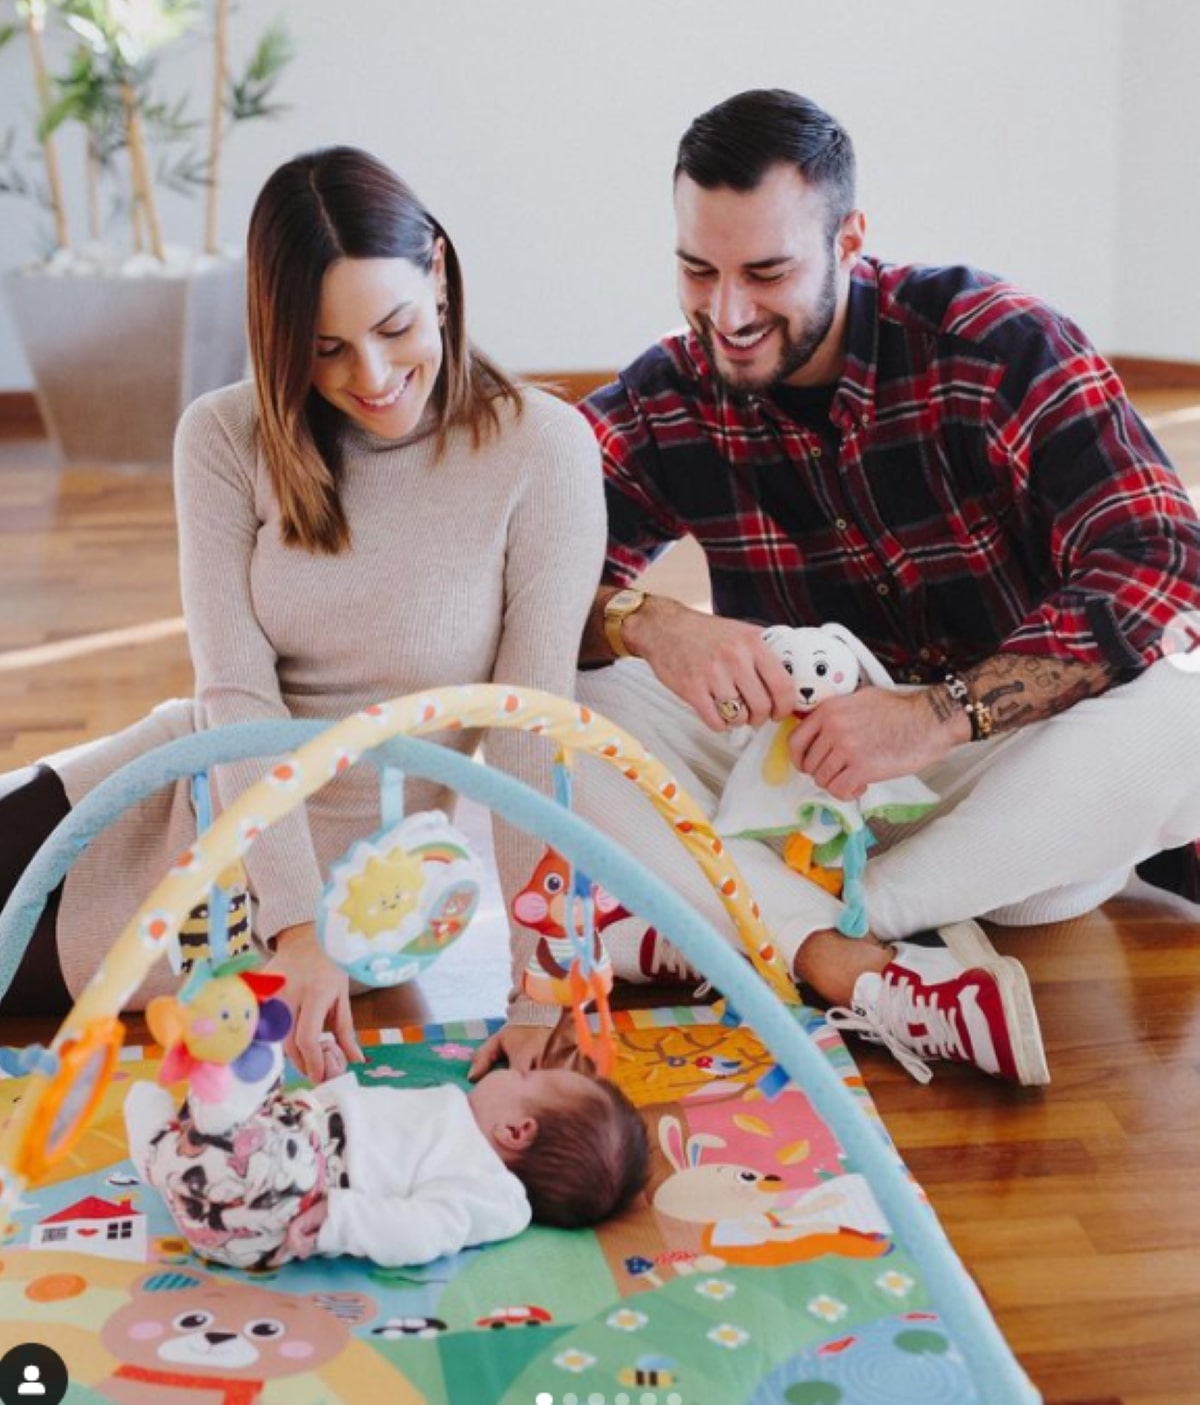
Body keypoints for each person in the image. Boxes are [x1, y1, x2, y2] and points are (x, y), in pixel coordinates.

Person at [570, 89, 1200, 1086]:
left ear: (850, 239)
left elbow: (1159, 557)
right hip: (800, 799)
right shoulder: (669, 394)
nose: (726, 314)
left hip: (1009, 793)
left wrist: (939, 715)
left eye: (766, 273)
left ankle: (799, 928)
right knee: (565, 708)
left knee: (1189, 694)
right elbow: (522, 582)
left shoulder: (994, 342)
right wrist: (647, 620)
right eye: (698, 269)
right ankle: (848, 959)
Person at [0, 147, 606, 1080]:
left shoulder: (544, 448)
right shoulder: (222, 435)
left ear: (437, 274)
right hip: (186, 782)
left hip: (341, 891)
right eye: (324, 349)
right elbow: (232, 695)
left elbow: (530, 734)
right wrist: (297, 927)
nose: (371, 376)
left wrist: (538, 988)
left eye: (394, 326)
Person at [126, 1055, 650, 1271]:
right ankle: (163, 1149)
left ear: (516, 1131)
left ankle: (198, 1126)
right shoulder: (450, 1110)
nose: (518, 1071)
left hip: (280, 1204)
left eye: (526, 1080)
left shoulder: (494, 1193)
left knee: (269, 1149)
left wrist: (339, 1218)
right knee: (261, 1105)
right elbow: (367, 1120)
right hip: (255, 1164)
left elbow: (426, 1229)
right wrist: (332, 1085)